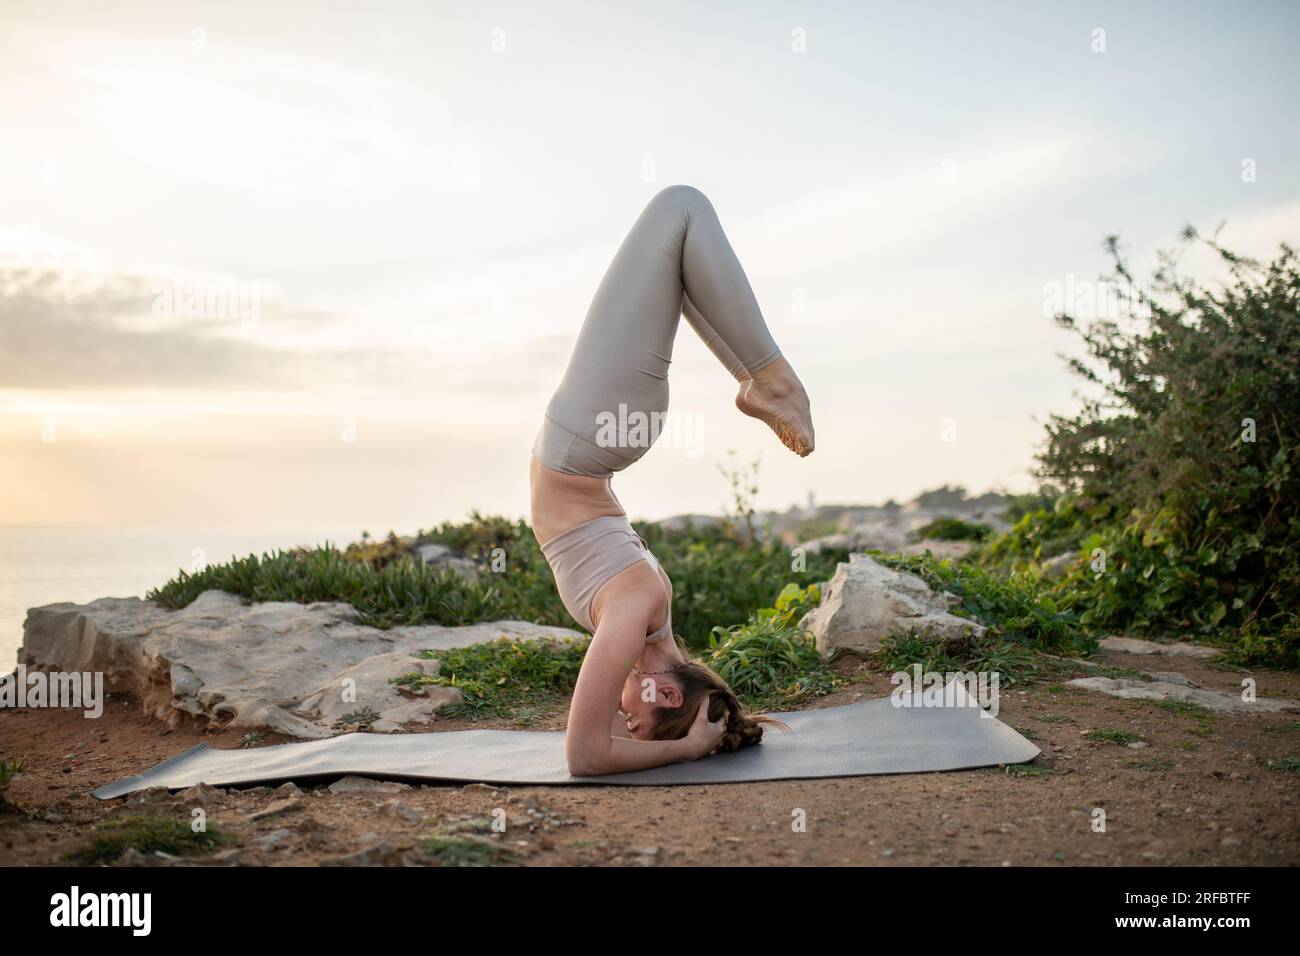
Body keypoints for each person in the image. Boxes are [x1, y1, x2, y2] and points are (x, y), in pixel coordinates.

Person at [529, 185, 814, 776]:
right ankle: (770, 380)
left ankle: (759, 376)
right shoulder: (635, 612)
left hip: (601, 433)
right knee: (680, 209)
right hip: (591, 431)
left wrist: (675, 737)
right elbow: (586, 757)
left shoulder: (648, 618)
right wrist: (687, 747)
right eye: (639, 721)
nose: (626, 725)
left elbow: (597, 740)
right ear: (668, 694)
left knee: (676, 257)